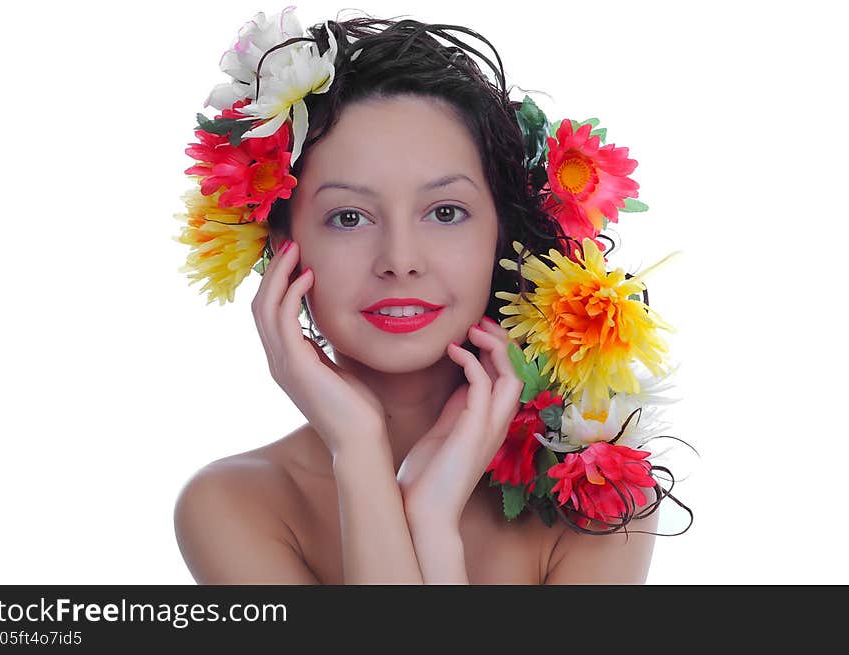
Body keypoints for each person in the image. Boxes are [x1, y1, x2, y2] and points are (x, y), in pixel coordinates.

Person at [173, 9, 665, 584]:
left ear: (503, 234)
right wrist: (359, 454)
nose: (400, 260)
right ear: (280, 247)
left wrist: (430, 520)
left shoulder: (598, 490)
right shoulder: (233, 505)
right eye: (349, 217)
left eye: (446, 212)